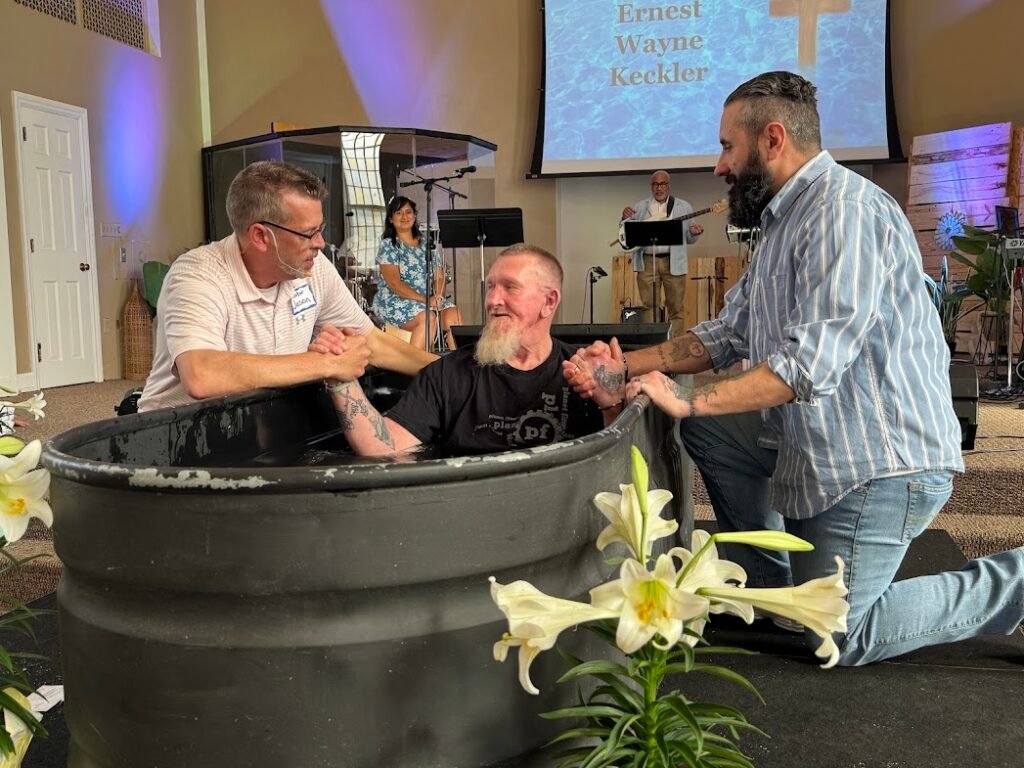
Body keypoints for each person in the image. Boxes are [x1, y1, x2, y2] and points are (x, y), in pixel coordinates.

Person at [567, 71, 1024, 667]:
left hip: (879, 462)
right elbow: (726, 334)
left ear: (773, 139)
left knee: (838, 634)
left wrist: (692, 398)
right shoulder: (784, 220)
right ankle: (768, 590)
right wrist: (623, 365)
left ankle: (1013, 580)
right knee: (709, 429)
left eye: (728, 146)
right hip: (815, 439)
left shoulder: (845, 211)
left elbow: (807, 365)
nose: (718, 166)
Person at [138, 162, 436, 412]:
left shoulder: (314, 269)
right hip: (176, 440)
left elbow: (371, 341)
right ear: (260, 236)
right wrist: (326, 363)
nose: (320, 243)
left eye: (320, 230)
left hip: (260, 425)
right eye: (309, 234)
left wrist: (449, 374)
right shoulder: (197, 275)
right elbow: (202, 374)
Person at [314, 244, 610, 456]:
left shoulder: (583, 374)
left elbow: (617, 456)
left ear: (549, 302)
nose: (493, 300)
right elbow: (384, 445)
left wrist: (611, 400)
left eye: (510, 287)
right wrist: (340, 377)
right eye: (490, 287)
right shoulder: (446, 375)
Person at [371, 196, 463, 351]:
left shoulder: (427, 244)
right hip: (395, 301)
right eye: (398, 213)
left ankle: (460, 369)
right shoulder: (388, 246)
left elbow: (439, 276)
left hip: (428, 300)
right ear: (391, 219)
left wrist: (438, 297)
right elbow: (394, 284)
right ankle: (416, 369)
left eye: (408, 212)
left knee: (454, 314)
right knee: (428, 318)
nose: (404, 216)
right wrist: (426, 300)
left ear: (414, 216)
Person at [619, 170, 703, 338]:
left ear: (668, 186)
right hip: (647, 262)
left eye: (663, 184)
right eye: (656, 184)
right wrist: (623, 218)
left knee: (676, 307)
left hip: (673, 262)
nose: (659, 188)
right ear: (651, 187)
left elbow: (689, 239)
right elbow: (627, 236)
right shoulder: (640, 207)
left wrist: (694, 233)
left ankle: (675, 345)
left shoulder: (683, 207)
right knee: (649, 305)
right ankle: (653, 343)